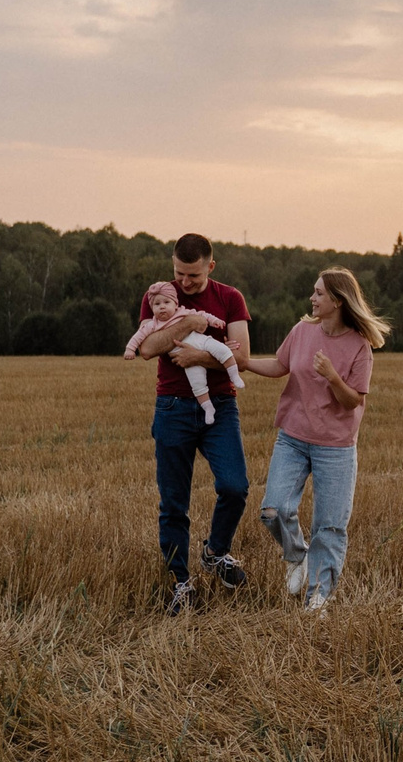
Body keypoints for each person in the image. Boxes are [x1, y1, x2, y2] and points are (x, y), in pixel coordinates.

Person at [240, 266, 387, 615]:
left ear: (337, 300)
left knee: (330, 526)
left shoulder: (359, 347)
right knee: (273, 509)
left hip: (335, 446)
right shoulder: (302, 331)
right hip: (292, 437)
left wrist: (333, 377)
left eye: (319, 293)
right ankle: (295, 556)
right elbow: (279, 365)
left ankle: (318, 596)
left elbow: (353, 400)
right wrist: (243, 362)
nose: (312, 298)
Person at [131, 234, 253, 613]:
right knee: (173, 503)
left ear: (210, 268)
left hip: (220, 404)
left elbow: (243, 357)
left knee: (235, 487)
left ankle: (215, 553)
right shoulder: (158, 295)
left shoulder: (230, 298)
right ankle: (180, 584)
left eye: (194, 277)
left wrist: (198, 354)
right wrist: (192, 323)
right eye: (179, 274)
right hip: (172, 407)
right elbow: (148, 348)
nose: (184, 284)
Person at [124, 280, 242, 426]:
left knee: (223, 350)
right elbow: (139, 338)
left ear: (175, 304)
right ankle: (208, 408)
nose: (162, 307)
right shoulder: (153, 324)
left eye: (166, 302)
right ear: (152, 308)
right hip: (183, 360)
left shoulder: (183, 312)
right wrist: (130, 349)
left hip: (202, 342)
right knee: (197, 384)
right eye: (156, 304)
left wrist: (215, 321)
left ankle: (234, 376)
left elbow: (203, 315)